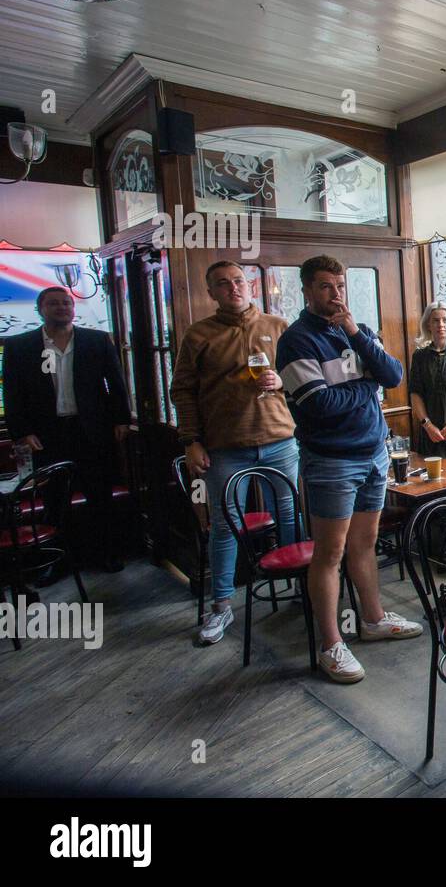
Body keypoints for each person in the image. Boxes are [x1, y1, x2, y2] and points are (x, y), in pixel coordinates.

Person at [276, 255, 422, 683]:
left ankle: (372, 620)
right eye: (324, 286)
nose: (335, 293)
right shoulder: (296, 341)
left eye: (339, 285)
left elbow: (393, 374)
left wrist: (357, 334)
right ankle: (330, 645)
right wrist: (367, 384)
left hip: (374, 453)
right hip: (331, 461)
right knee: (330, 553)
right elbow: (318, 405)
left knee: (366, 543)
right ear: (306, 290)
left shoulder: (358, 331)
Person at [171, 261, 300, 646]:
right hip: (225, 446)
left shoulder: (278, 327)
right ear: (212, 293)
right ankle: (221, 605)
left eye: (239, 281)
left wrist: (282, 381)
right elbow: (182, 391)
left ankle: (297, 590)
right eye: (223, 284)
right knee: (226, 524)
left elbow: (303, 377)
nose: (233, 288)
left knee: (290, 514)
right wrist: (190, 440)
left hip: (280, 438)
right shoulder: (199, 335)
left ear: (251, 286)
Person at [2, 286, 131, 574]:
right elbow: (12, 394)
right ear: (40, 310)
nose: (61, 307)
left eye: (66, 302)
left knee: (100, 495)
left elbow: (116, 384)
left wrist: (121, 420)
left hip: (91, 430)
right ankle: (56, 561)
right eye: (53, 304)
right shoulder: (19, 346)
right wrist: (22, 432)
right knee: (54, 500)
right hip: (46, 435)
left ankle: (106, 554)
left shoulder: (96, 341)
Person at [408, 302, 446, 459]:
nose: (441, 325)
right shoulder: (420, 356)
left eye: (445, 320)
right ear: (428, 324)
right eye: (436, 320)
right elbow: (416, 394)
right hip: (430, 433)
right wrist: (428, 426)